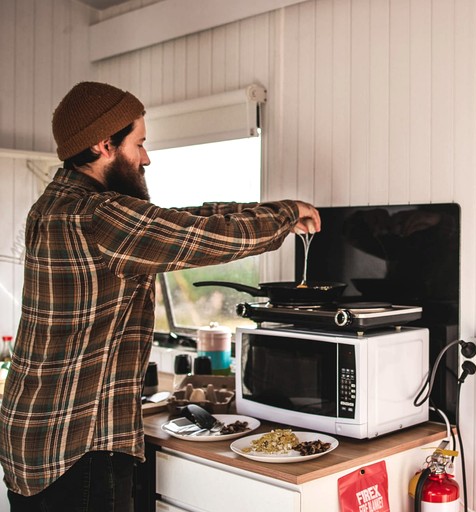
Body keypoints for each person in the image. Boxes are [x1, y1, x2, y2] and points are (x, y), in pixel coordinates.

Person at [0, 81, 320, 511]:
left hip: (35, 433)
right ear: (104, 144)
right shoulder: (97, 216)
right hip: (76, 441)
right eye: (140, 143)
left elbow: (177, 220)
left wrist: (273, 210)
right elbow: (202, 236)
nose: (145, 158)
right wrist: (284, 215)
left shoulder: (57, 203)